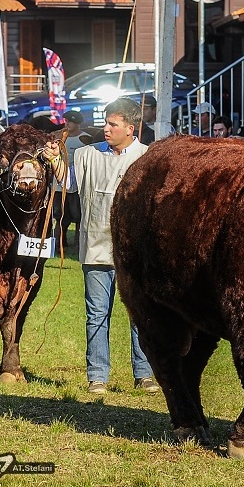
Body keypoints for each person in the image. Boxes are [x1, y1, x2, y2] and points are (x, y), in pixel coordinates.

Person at [73, 97, 159, 395]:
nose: (106, 129)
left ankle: (145, 373)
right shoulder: (86, 155)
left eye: (113, 124)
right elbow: (67, 185)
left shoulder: (148, 159)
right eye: (106, 123)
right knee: (96, 314)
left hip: (135, 253)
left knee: (140, 314)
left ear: (131, 129)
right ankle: (97, 375)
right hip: (96, 248)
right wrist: (54, 161)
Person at [53, 110, 87, 254]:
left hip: (77, 184)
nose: (67, 124)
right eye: (66, 121)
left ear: (77, 123)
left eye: (70, 122)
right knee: (59, 215)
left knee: (78, 215)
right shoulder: (59, 138)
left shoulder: (86, 139)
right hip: (59, 184)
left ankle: (79, 244)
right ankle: (58, 242)